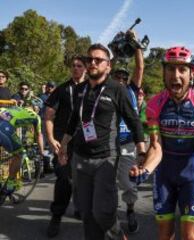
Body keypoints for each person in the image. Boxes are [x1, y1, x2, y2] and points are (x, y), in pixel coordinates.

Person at [129, 46, 194, 240]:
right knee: (165, 236)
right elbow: (156, 147)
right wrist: (145, 170)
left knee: (190, 237)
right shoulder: (155, 104)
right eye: (170, 69)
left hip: (192, 174)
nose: (176, 75)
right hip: (164, 173)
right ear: (164, 73)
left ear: (192, 74)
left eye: (182, 69)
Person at [58, 43, 145, 240]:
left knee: (102, 211)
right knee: (87, 213)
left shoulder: (117, 89)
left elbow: (133, 120)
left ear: (108, 66)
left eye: (99, 60)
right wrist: (63, 145)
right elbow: (73, 121)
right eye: (90, 59)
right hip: (80, 158)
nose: (93, 63)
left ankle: (117, 236)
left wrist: (141, 151)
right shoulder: (79, 89)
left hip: (106, 158)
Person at [45, 56, 86, 238]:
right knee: (64, 178)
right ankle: (56, 216)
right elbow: (48, 116)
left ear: (86, 68)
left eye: (80, 66)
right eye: (74, 66)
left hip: (86, 142)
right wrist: (51, 139)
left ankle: (80, 207)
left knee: (83, 178)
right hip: (64, 143)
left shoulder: (94, 88)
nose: (76, 69)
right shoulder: (62, 89)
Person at [112, 30, 145, 234]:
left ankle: (130, 210)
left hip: (127, 144)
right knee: (106, 183)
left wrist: (136, 45)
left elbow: (140, 67)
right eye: (118, 76)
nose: (122, 79)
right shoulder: (106, 89)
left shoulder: (132, 90)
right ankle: (110, 215)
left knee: (127, 182)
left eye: (125, 77)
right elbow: (106, 68)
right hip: (107, 144)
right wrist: (115, 50)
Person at [0, 105, 45, 202]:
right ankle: (9, 185)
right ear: (36, 110)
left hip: (3, 122)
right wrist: (42, 152)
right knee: (20, 153)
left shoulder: (14, 108)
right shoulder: (36, 116)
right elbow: (39, 135)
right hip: (4, 128)